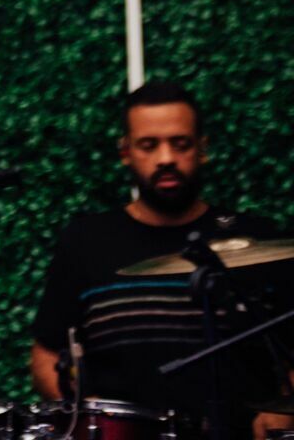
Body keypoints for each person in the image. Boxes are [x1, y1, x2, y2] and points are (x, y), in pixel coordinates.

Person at [29, 80, 293, 439]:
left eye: (180, 144)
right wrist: (93, 424)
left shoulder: (257, 240)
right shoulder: (85, 241)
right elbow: (45, 358)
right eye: (148, 145)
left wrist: (283, 411)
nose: (166, 158)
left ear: (202, 149)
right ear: (125, 152)